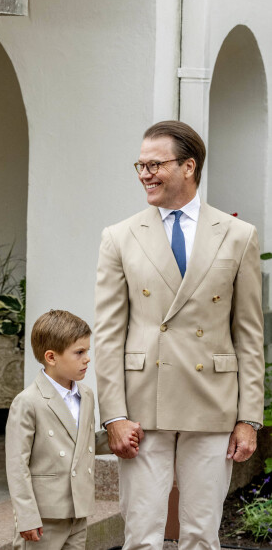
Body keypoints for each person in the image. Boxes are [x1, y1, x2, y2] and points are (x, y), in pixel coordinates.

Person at [94, 120, 265, 550]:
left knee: (201, 536)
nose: (144, 174)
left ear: (188, 167)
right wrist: (113, 415)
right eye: (140, 165)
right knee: (141, 535)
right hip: (142, 405)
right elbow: (110, 334)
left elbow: (248, 333)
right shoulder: (119, 237)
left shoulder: (238, 235)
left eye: (155, 164)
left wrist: (248, 419)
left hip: (212, 401)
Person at [5, 310, 138, 549]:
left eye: (87, 351)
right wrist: (26, 516)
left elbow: (81, 443)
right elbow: (17, 465)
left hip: (78, 509)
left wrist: (119, 437)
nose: (87, 358)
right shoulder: (28, 402)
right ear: (51, 357)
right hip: (44, 515)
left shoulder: (85, 395)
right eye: (79, 352)